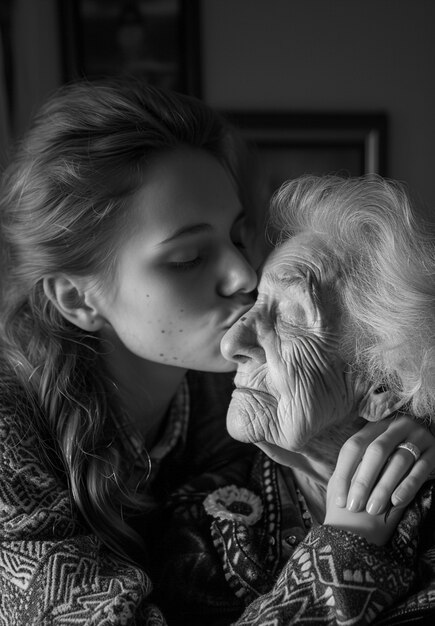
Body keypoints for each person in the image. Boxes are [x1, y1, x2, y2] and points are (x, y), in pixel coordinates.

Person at [0, 78, 432, 625]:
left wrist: (409, 415)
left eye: (235, 236)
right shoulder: (11, 439)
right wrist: (345, 551)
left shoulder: (225, 391)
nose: (244, 274)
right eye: (186, 258)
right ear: (76, 299)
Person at [217, 174, 435, 624]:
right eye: (256, 303)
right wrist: (342, 548)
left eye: (291, 318)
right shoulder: (207, 522)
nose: (231, 341)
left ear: (382, 387)